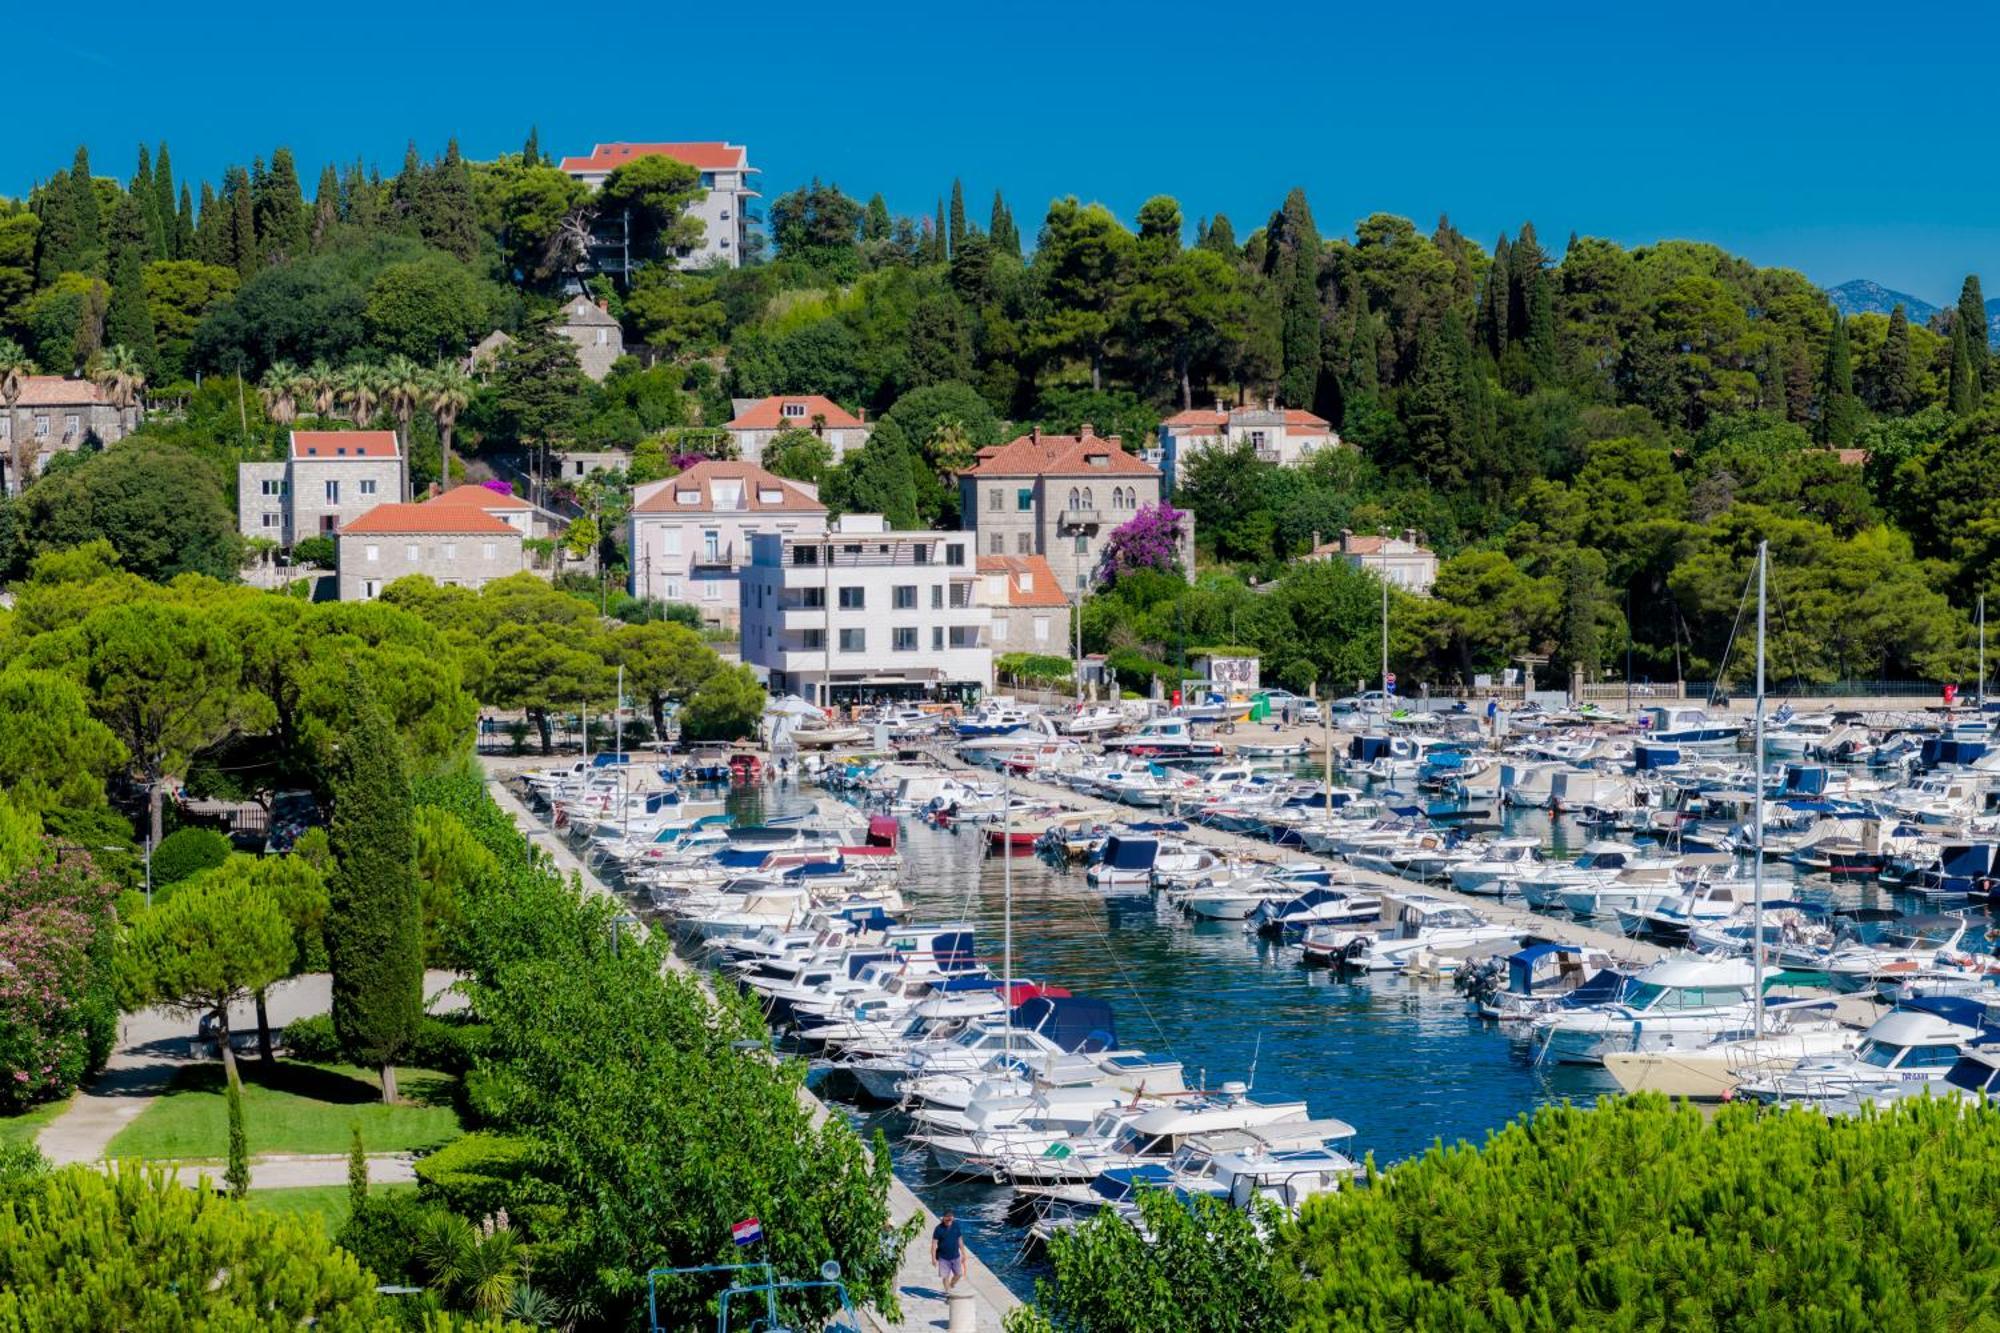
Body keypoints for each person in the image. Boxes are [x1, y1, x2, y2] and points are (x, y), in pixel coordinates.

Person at [932, 1207, 965, 1292]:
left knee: (959, 1274)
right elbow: (934, 1244)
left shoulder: (956, 1226)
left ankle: (952, 1284)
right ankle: (948, 1292)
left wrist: (963, 1253)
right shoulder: (938, 1229)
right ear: (943, 1218)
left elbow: (960, 1240)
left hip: (955, 1256)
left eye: (950, 1217)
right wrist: (933, 1259)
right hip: (943, 1257)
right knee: (945, 1276)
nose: (949, 1220)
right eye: (947, 1217)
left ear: (953, 1218)